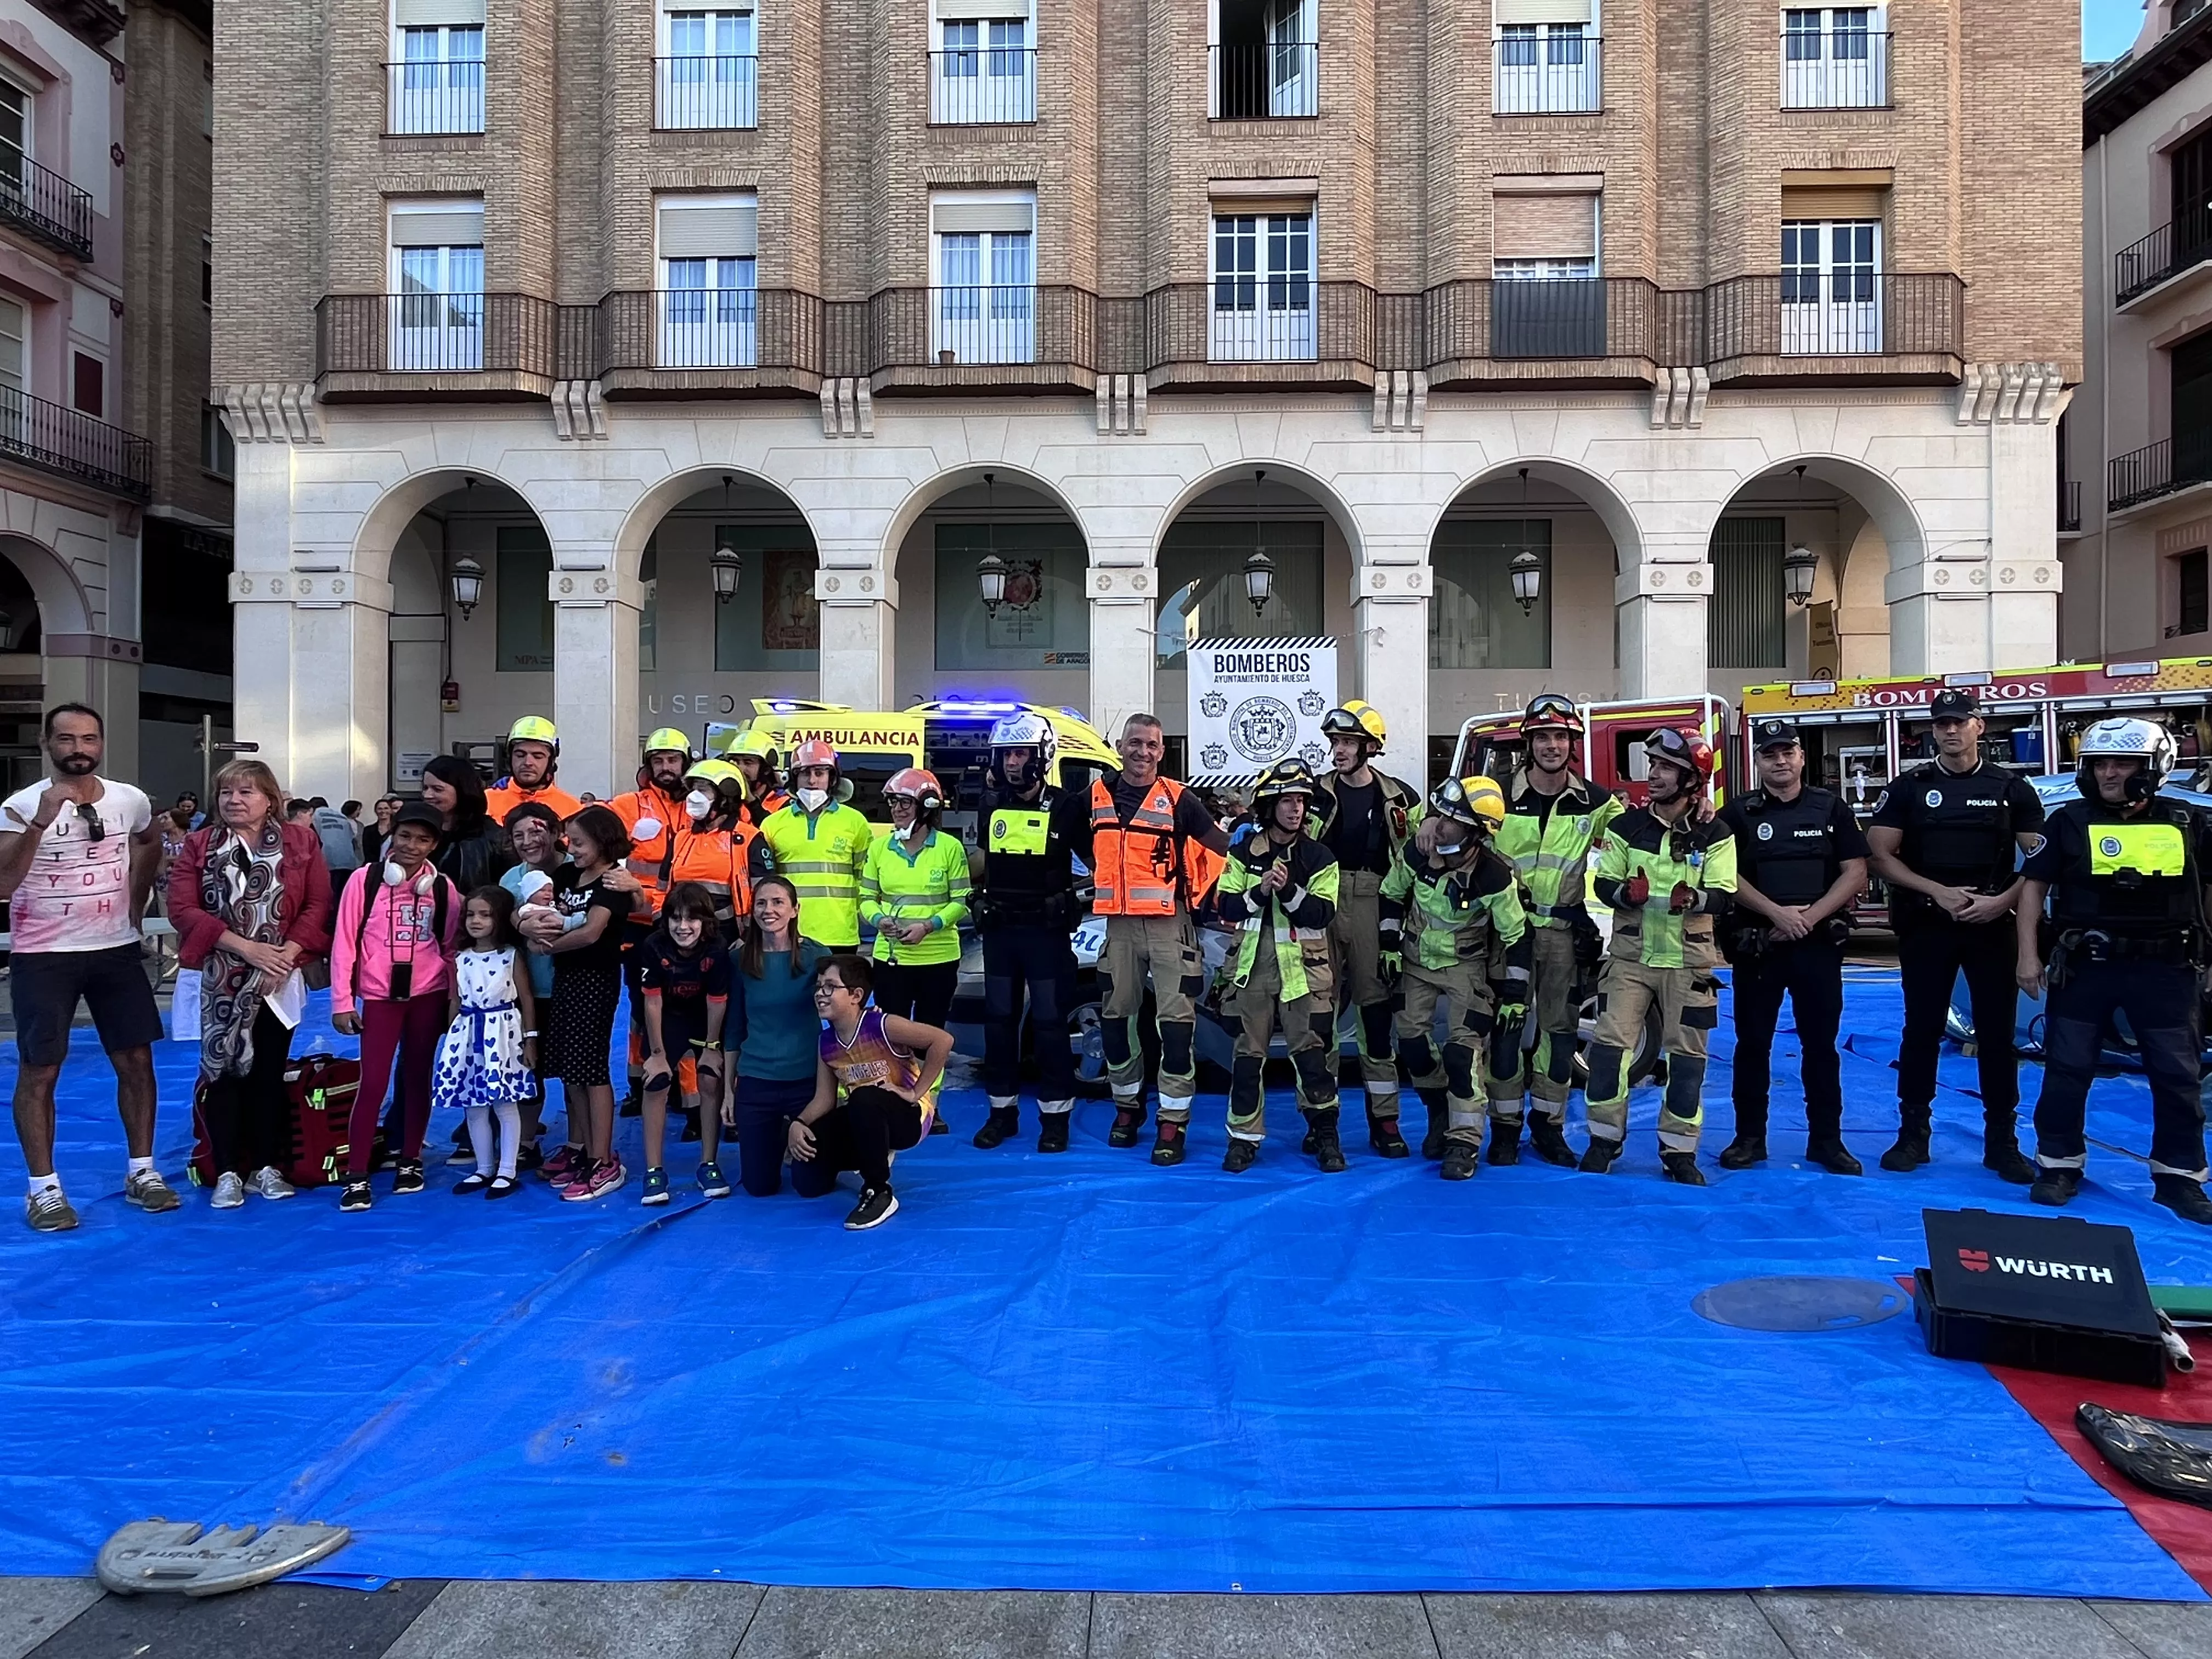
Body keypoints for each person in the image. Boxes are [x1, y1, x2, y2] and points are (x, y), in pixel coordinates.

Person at [2016, 718, 2212, 1223]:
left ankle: (2180, 1178)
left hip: (2168, 970)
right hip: (2087, 969)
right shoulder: (2068, 822)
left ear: (2155, 767)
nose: (2108, 774)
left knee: (2178, 1076)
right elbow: (2034, 888)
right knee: (2066, 1070)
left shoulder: (2188, 822)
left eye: (2122, 764)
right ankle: (2058, 1166)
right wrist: (2028, 956)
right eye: (2099, 764)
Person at [0, 704, 173, 1231]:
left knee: (137, 1061)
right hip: (43, 956)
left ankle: (142, 1171)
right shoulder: (18, 806)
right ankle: (44, 1189)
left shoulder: (128, 799)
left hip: (114, 948)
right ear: (46, 744)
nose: (79, 748)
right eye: (67, 738)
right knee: (40, 1069)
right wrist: (40, 821)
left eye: (89, 738)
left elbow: (149, 840)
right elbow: (4, 883)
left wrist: (137, 902)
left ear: (101, 743)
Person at [1866, 689, 2046, 1181]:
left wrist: (2001, 902)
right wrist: (1938, 892)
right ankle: (1913, 1136)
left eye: (1959, 722)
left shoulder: (2012, 788)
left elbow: (2040, 861)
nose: (1950, 730)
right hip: (1928, 925)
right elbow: (1879, 855)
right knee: (1921, 1031)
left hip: (1991, 925)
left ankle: (2002, 1143)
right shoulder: (1908, 788)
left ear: (1978, 727)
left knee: (1997, 1036)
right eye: (1941, 723)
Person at [1056, 712, 1228, 1166]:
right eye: (1135, 743)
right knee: (1116, 1022)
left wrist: (1202, 894)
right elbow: (1069, 837)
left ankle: (1173, 1122)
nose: (1143, 752)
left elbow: (1220, 848)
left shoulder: (1179, 799)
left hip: (1170, 926)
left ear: (1161, 751)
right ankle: (1127, 1108)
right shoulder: (1094, 797)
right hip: (1119, 927)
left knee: (1176, 1027)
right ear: (1120, 746)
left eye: (1152, 745)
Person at [167, 759, 335, 1209]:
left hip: (279, 976)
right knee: (223, 1073)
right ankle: (226, 1171)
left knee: (268, 1070)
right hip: (220, 976)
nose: (235, 800)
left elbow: (318, 903)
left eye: (246, 792)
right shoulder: (199, 844)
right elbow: (183, 909)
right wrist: (247, 949)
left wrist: (286, 955)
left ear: (269, 800)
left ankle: (265, 1166)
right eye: (227, 792)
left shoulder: (301, 841)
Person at [1715, 719, 1869, 1175]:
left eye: (1788, 752)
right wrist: (1776, 915)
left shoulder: (1831, 808)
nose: (1780, 761)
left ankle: (1827, 1141)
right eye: (1770, 754)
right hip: (1759, 946)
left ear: (1801, 757)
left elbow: (1856, 872)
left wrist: (1807, 919)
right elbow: (1724, 875)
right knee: (1752, 1045)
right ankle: (1749, 1139)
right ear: (1757, 761)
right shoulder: (1736, 814)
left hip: (1816, 946)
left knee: (1821, 1046)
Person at [1584, 728, 1736, 1183]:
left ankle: (1679, 1152)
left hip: (1690, 966)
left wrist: (1695, 900)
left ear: (1692, 780)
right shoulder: (1626, 827)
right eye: (1653, 764)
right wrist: (1623, 894)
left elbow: (1724, 893)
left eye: (1666, 767)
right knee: (1609, 1051)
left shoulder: (1716, 832)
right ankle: (1603, 1143)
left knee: (1687, 1061)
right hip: (1630, 960)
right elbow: (1603, 882)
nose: (1653, 774)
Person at [1484, 693, 1620, 1167]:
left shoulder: (1595, 802)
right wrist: (1429, 828)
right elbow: (1452, 826)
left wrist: (1697, 809)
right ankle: (1504, 1130)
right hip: (1507, 935)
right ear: (1528, 742)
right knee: (1506, 1031)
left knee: (1560, 1034)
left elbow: (1643, 833)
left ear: (1572, 743)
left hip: (1563, 934)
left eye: (1560, 736)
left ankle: (1548, 1126)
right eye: (1542, 736)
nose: (1552, 746)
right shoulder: (1498, 795)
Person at [1379, 775, 1531, 1181]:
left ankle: (1463, 1143)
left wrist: (1516, 994)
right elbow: (1391, 894)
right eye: (1440, 815)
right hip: (1416, 962)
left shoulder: (1495, 876)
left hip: (1467, 968)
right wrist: (1389, 946)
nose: (1440, 825)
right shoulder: (1419, 850)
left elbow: (1517, 936)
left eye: (1452, 820)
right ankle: (1439, 1113)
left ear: (1476, 833)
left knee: (1462, 1056)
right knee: (1412, 1046)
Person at [330, 802, 465, 1211]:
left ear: (434, 845)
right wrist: (342, 1001)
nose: (412, 846)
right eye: (405, 836)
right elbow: (344, 942)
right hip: (379, 997)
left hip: (428, 995)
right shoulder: (365, 880)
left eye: (423, 840)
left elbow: (450, 949)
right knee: (373, 1082)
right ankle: (356, 1173)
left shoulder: (442, 889)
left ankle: (411, 1158)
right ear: (392, 834)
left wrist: (452, 999)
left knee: (418, 1077)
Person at [1215, 759, 1343, 1172]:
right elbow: (1226, 905)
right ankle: (1243, 1139)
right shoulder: (1241, 852)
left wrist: (1287, 890)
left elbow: (1321, 914)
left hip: (1304, 973)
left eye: (1301, 801)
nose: (1296, 809)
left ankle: (1325, 1136)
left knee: (1312, 1057)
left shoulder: (1320, 856)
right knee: (1247, 1057)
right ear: (1269, 806)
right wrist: (1259, 891)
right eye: (1287, 801)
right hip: (1253, 971)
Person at [1310, 699, 1423, 1157]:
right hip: (1321, 903)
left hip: (1375, 904)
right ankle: (1320, 1120)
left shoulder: (1401, 799)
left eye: (1348, 742)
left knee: (1375, 1020)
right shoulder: (1313, 792)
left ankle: (1385, 1122)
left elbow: (1416, 859)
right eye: (1335, 741)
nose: (1338, 750)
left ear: (1371, 747)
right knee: (1318, 1018)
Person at [971, 711, 1084, 1153]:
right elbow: (983, 861)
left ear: (1042, 756)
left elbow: (1097, 864)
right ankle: (1002, 1114)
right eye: (1006, 755)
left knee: (1050, 1023)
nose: (1013, 763)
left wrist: (1072, 899)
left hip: (1045, 933)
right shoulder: (990, 804)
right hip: (1001, 932)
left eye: (1021, 753)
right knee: (999, 1023)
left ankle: (1055, 1119)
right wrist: (972, 895)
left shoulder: (1067, 807)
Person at [788, 953, 955, 1230]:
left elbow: (943, 1041)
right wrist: (799, 1123)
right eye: (818, 987)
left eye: (830, 987)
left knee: (865, 1097)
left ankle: (878, 1190)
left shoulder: (882, 1025)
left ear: (856, 995)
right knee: (807, 1180)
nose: (820, 994)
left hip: (907, 1118)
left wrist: (916, 1093)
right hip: (863, 1115)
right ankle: (870, 1152)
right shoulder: (826, 1041)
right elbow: (824, 1099)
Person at [534, 804, 636, 1201]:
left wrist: (550, 946)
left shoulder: (613, 883)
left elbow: (593, 932)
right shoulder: (566, 876)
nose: (571, 849)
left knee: (592, 1070)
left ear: (602, 841)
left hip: (596, 980)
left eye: (579, 842)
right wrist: (531, 927)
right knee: (571, 1070)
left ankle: (602, 1158)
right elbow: (542, 911)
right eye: (570, 841)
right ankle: (582, 1148)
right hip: (566, 979)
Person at [859, 768, 970, 1124]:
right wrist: (879, 920)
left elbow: (962, 901)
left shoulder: (949, 848)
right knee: (890, 1035)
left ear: (926, 807)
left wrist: (929, 926)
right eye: (893, 803)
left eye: (905, 803)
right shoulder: (880, 848)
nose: (897, 810)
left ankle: (928, 1107)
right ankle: (894, 1102)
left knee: (931, 1033)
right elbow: (866, 899)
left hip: (938, 959)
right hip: (891, 959)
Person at [724, 874, 831, 1197]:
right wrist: (729, 1092)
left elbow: (842, 1011)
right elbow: (734, 1028)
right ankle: (779, 1134)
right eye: (761, 903)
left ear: (795, 910)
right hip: (757, 1082)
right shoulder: (738, 960)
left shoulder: (817, 957)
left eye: (778, 902)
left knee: (812, 1187)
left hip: (807, 1083)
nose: (768, 910)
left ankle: (799, 1134)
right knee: (759, 1187)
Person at [610, 728, 698, 1111]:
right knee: (641, 1007)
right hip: (641, 922)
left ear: (686, 763)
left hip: (686, 924)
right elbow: (595, 841)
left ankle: (688, 1093)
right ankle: (640, 1082)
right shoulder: (628, 805)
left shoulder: (701, 803)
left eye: (673, 760)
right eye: (658, 761)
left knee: (688, 1008)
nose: (666, 768)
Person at [431, 884, 538, 1199]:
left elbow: (526, 999)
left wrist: (531, 1039)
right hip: (468, 1034)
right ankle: (484, 1167)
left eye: (485, 915)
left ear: (500, 919)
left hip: (502, 1036)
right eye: (471, 915)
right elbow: (455, 1000)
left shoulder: (511, 956)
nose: (476, 921)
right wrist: (451, 1037)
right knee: (474, 1105)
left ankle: (507, 1169)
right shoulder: (460, 958)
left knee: (505, 1103)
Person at [636, 880, 731, 1203]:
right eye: (676, 918)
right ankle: (654, 1171)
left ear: (705, 922)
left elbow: (718, 1001)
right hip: (668, 1017)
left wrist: (712, 1048)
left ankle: (709, 1163)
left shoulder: (717, 948)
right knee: (656, 1082)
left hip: (704, 1016)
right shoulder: (654, 945)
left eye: (692, 919)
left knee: (710, 1078)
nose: (683, 926)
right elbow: (652, 1001)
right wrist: (657, 1054)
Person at [757, 738, 874, 951]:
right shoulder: (772, 824)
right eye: (805, 773)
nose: (812, 780)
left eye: (820, 773)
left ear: (832, 779)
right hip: (788, 934)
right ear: (794, 778)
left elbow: (866, 880)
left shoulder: (856, 823)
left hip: (840, 935)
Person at [500, 801, 569, 1167]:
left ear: (556, 833)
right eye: (519, 835)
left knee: (576, 1070)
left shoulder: (577, 870)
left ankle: (580, 1143)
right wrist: (518, 921)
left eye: (536, 832)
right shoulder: (511, 880)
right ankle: (526, 1141)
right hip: (527, 990)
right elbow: (499, 924)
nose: (528, 841)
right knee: (528, 1066)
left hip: (574, 985)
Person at [421, 754, 514, 891]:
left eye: (438, 789)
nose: (428, 795)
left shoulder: (494, 837)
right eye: (425, 788)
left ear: (462, 790)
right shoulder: (417, 827)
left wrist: (469, 900)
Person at [483, 716, 584, 823]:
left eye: (538, 757)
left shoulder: (573, 809)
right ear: (510, 757)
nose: (528, 763)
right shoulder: (485, 801)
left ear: (551, 761)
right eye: (520, 755)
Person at [718, 727, 791, 823]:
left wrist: (751, 802)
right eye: (735, 761)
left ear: (766, 770)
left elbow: (773, 830)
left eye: (748, 762)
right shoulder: (723, 802)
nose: (740, 769)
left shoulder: (783, 803)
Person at [311, 797, 363, 878]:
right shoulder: (342, 816)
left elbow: (312, 837)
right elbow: (352, 838)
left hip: (327, 861)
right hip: (348, 861)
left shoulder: (315, 815)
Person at [361, 795, 402, 867]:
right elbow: (367, 851)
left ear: (391, 811)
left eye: (386, 808)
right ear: (376, 811)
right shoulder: (369, 830)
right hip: (373, 866)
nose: (383, 811)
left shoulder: (397, 829)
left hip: (393, 866)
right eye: (380, 809)